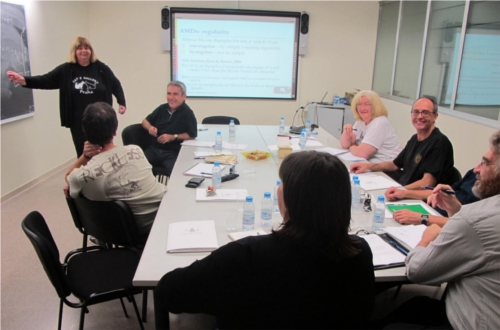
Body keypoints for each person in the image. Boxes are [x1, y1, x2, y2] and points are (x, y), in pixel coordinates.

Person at [154, 151, 375, 329]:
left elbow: (169, 292)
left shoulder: (245, 255)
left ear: (292, 200)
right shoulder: (359, 251)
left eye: (282, 183)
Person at [382, 130, 500, 329]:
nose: (477, 169)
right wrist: (456, 211)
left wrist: (426, 238)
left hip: (470, 321)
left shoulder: (477, 218)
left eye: (486, 163)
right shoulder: (480, 216)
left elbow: (417, 271)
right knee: (417, 305)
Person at [64, 102, 166, 245]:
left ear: (84, 131)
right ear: (115, 131)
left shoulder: (81, 176)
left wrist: (85, 156)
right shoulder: (135, 150)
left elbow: (68, 177)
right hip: (163, 218)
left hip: (123, 233)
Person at [6, 36, 126, 157]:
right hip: (78, 122)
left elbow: (115, 84)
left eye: (86, 48)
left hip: (101, 120)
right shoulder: (66, 70)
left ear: (91, 51)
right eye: (80, 48)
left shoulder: (101, 68)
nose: (83, 51)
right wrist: (23, 80)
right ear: (74, 52)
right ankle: (86, 175)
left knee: (104, 152)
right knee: (84, 154)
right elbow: (45, 80)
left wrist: (121, 102)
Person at [350, 97, 454, 190]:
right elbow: (395, 165)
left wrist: (401, 191)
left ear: (435, 116)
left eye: (425, 112)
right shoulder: (415, 139)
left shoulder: (438, 143)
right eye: (416, 112)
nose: (420, 116)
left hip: (420, 198)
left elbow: (427, 183)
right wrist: (368, 166)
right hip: (404, 187)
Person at [142, 81, 197, 177]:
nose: (171, 98)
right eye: (169, 93)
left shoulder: (187, 113)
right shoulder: (162, 108)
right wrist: (150, 127)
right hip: (154, 149)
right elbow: (145, 122)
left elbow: (192, 135)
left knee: (176, 176)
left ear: (184, 96)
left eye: (175, 94)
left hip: (172, 152)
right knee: (136, 167)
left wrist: (173, 137)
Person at [389, 168, 479, 227]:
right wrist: (404, 193)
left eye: (485, 163)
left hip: (435, 222)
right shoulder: (473, 174)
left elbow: (467, 224)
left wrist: (422, 218)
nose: (476, 169)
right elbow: (438, 193)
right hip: (431, 214)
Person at [340, 90, 401, 163]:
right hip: (369, 164)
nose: (362, 108)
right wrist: (346, 132)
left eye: (367, 104)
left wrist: (351, 146)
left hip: (386, 169)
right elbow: (345, 144)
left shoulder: (379, 122)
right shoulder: (361, 121)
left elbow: (362, 153)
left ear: (375, 106)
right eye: (359, 104)